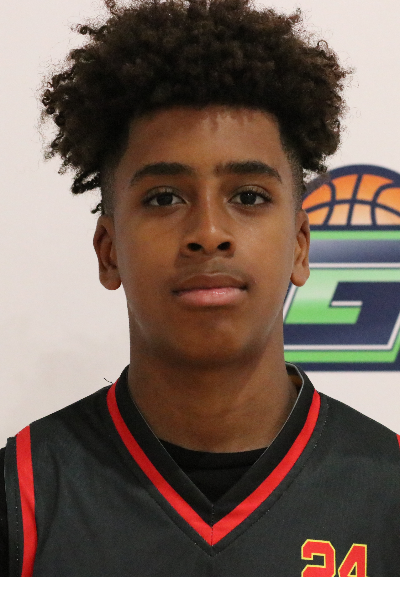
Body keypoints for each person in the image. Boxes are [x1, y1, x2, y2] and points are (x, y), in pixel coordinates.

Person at [1, 0, 399, 577]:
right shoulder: (25, 496)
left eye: (249, 197)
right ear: (109, 252)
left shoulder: (388, 491)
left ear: (300, 247)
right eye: (164, 198)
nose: (209, 233)